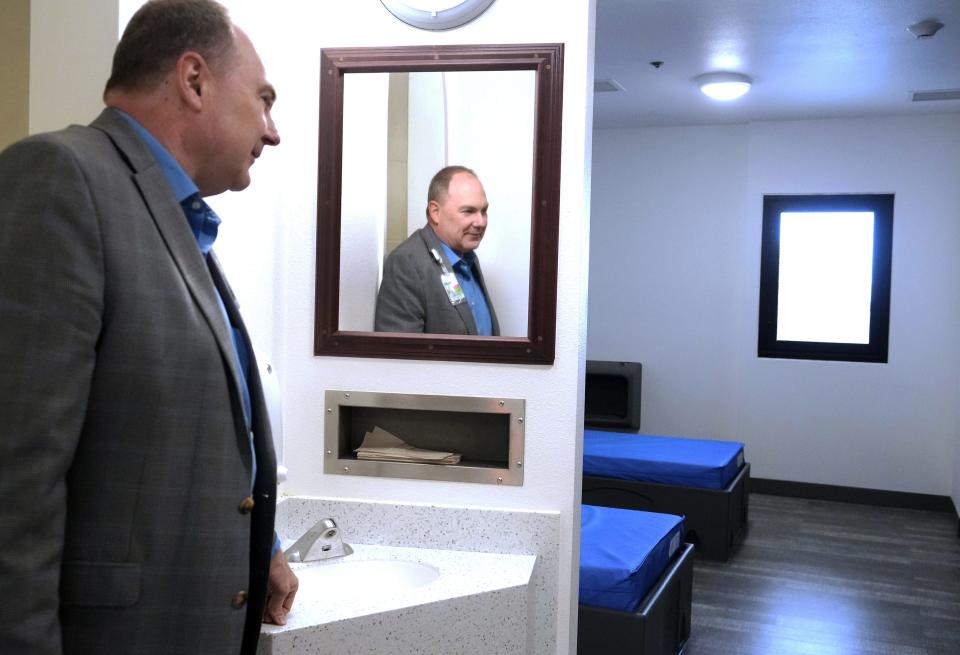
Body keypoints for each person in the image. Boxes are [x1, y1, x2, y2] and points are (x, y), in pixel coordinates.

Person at [0, 1, 297, 653]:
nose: (272, 131)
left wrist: (259, 544)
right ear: (194, 80)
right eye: (263, 99)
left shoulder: (178, 222)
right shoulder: (63, 179)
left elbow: (164, 432)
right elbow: (16, 476)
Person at [375, 165, 500, 335]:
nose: (481, 222)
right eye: (468, 211)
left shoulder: (468, 257)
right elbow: (400, 355)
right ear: (435, 212)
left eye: (483, 211)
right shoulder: (406, 264)